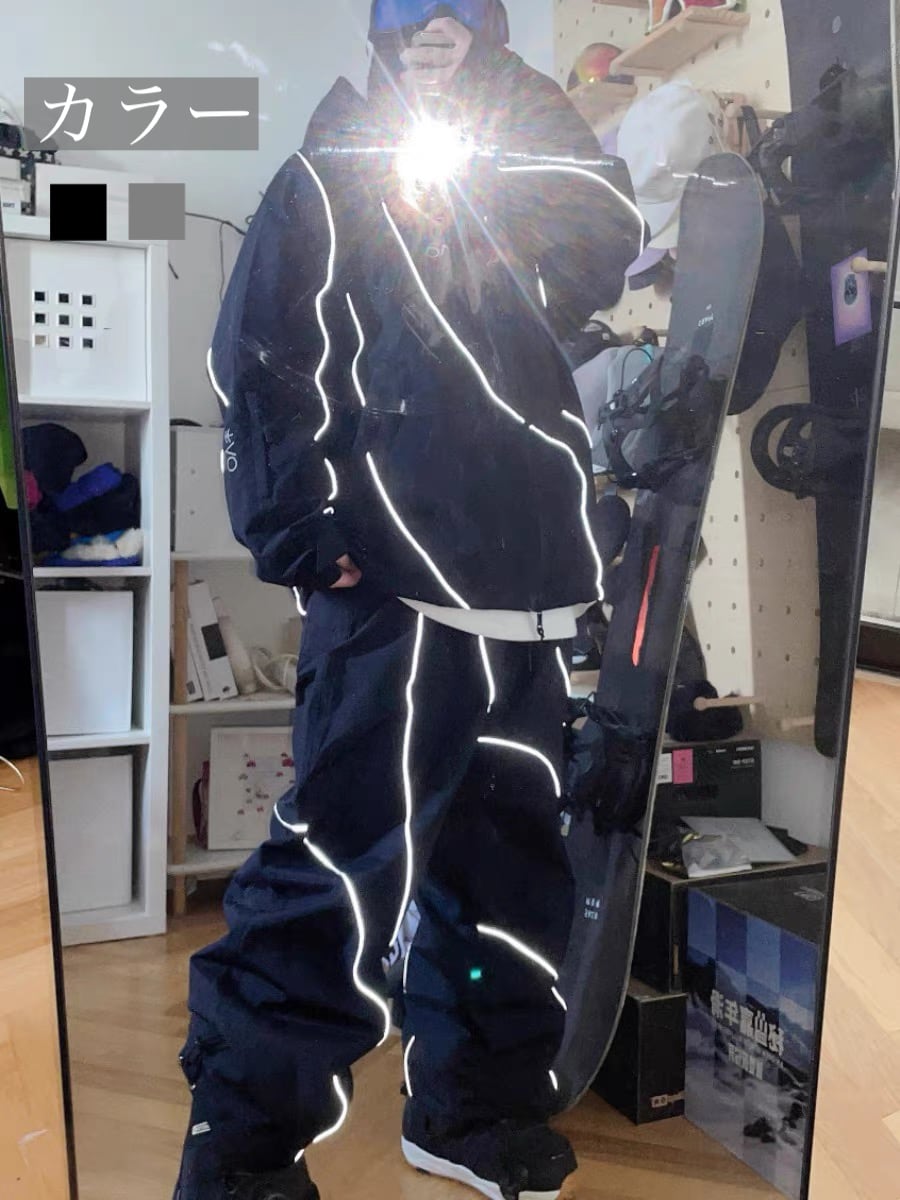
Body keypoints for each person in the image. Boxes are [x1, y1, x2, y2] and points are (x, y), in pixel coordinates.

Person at [174, 3, 642, 1197]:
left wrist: (517, 95)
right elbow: (261, 354)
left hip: (530, 594)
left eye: (462, 20)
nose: (436, 34)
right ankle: (241, 1157)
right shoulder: (327, 176)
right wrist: (297, 526)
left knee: (508, 882)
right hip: (399, 592)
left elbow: (606, 236)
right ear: (381, 38)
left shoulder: (513, 191)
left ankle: (471, 1112)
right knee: (337, 880)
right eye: (415, 20)